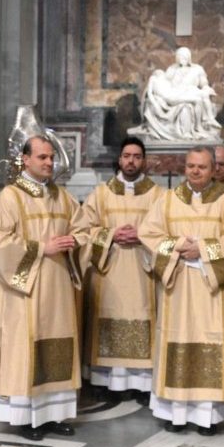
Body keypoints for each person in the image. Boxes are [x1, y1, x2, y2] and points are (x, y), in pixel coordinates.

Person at [0, 136, 82, 440]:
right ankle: (25, 418)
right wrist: (43, 247)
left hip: (58, 290)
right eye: (42, 157)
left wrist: (75, 242)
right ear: (25, 160)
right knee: (27, 346)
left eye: (51, 158)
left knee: (56, 344)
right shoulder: (10, 197)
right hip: (25, 290)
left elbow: (82, 228)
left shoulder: (63, 197)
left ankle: (54, 414)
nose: (49, 163)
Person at [138, 146, 224, 434]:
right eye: (191, 166)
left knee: (211, 341)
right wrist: (180, 246)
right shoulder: (168, 200)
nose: (195, 171)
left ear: (214, 169)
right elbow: (149, 235)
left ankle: (208, 416)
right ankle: (175, 412)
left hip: (212, 289)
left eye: (202, 167)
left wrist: (205, 249)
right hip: (178, 285)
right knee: (177, 339)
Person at [71, 135, 162, 404]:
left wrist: (142, 236)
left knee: (142, 317)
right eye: (126, 156)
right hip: (109, 271)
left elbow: (166, 232)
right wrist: (110, 235)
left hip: (142, 270)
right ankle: (105, 381)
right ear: (119, 160)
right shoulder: (101, 193)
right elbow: (84, 230)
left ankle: (141, 383)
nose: (131, 161)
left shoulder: (158, 195)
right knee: (107, 318)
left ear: (143, 161)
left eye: (136, 156)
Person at [130, 47, 223, 141]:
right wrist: (157, 99)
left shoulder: (198, 69)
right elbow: (165, 84)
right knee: (187, 106)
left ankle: (205, 122)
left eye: (184, 57)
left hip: (191, 91)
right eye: (179, 57)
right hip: (177, 94)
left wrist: (206, 88)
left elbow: (204, 83)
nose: (182, 59)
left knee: (202, 96)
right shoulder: (171, 69)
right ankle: (190, 130)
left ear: (189, 57)